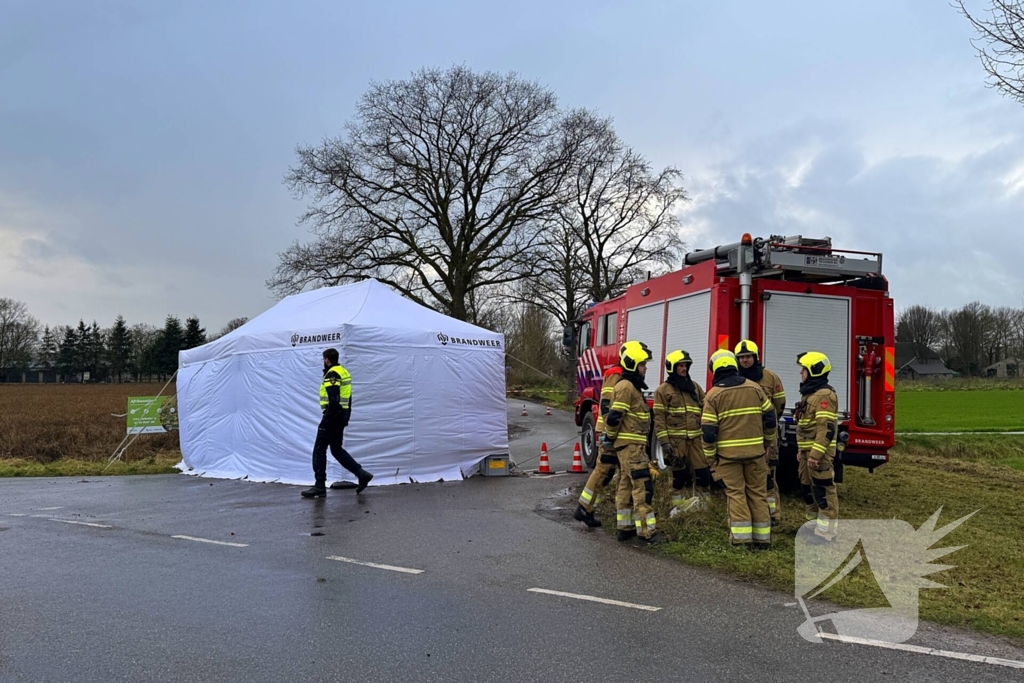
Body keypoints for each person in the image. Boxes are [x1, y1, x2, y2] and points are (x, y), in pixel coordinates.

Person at [701, 350, 776, 550]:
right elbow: (770, 419)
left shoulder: (713, 395)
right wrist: (767, 443)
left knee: (736, 495)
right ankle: (763, 539)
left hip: (728, 457)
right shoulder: (755, 388)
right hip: (756, 453)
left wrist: (710, 458)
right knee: (758, 493)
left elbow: (708, 432)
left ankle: (742, 541)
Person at [605, 341, 659, 543]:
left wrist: (611, 438)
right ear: (634, 364)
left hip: (630, 446)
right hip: (632, 447)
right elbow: (614, 417)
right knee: (642, 487)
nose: (645, 368)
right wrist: (610, 436)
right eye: (643, 364)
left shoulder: (628, 386)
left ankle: (625, 527)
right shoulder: (627, 387)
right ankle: (647, 532)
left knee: (626, 485)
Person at [301, 348, 374, 498]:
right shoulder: (344, 372)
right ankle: (361, 474)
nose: (323, 362)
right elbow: (349, 398)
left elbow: (334, 400)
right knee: (336, 449)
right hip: (341, 415)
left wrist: (326, 420)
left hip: (332, 416)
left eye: (323, 359)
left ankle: (319, 486)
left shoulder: (332, 374)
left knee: (319, 449)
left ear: (327, 359)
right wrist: (346, 417)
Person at [735, 340, 786, 524]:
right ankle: (752, 513)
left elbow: (780, 404)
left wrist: (768, 425)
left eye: (748, 357)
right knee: (748, 476)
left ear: (756, 357)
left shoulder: (770, 378)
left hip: (767, 437)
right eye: (741, 358)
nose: (745, 361)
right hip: (745, 436)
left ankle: (772, 515)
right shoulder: (736, 379)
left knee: (768, 476)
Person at [653, 350, 709, 515]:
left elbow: (706, 409)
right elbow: (659, 419)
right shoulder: (663, 391)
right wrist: (665, 443)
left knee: (703, 475)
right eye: (680, 366)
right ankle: (678, 511)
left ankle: (703, 509)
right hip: (677, 442)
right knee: (679, 478)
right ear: (672, 368)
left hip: (696, 440)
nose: (684, 369)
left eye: (685, 365)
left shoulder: (695, 388)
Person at [574, 363, 627, 528]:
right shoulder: (615, 374)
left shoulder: (620, 374)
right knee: (603, 470)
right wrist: (610, 432)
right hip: (610, 433)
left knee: (608, 472)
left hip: (614, 432)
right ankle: (583, 508)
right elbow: (606, 405)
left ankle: (588, 509)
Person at [794, 351, 839, 544]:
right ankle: (812, 528)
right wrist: (802, 451)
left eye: (804, 369)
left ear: (814, 370)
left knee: (823, 492)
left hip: (818, 456)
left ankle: (826, 534)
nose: (801, 373)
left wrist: (816, 454)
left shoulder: (825, 396)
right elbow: (806, 426)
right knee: (807, 489)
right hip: (807, 453)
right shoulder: (810, 394)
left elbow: (825, 428)